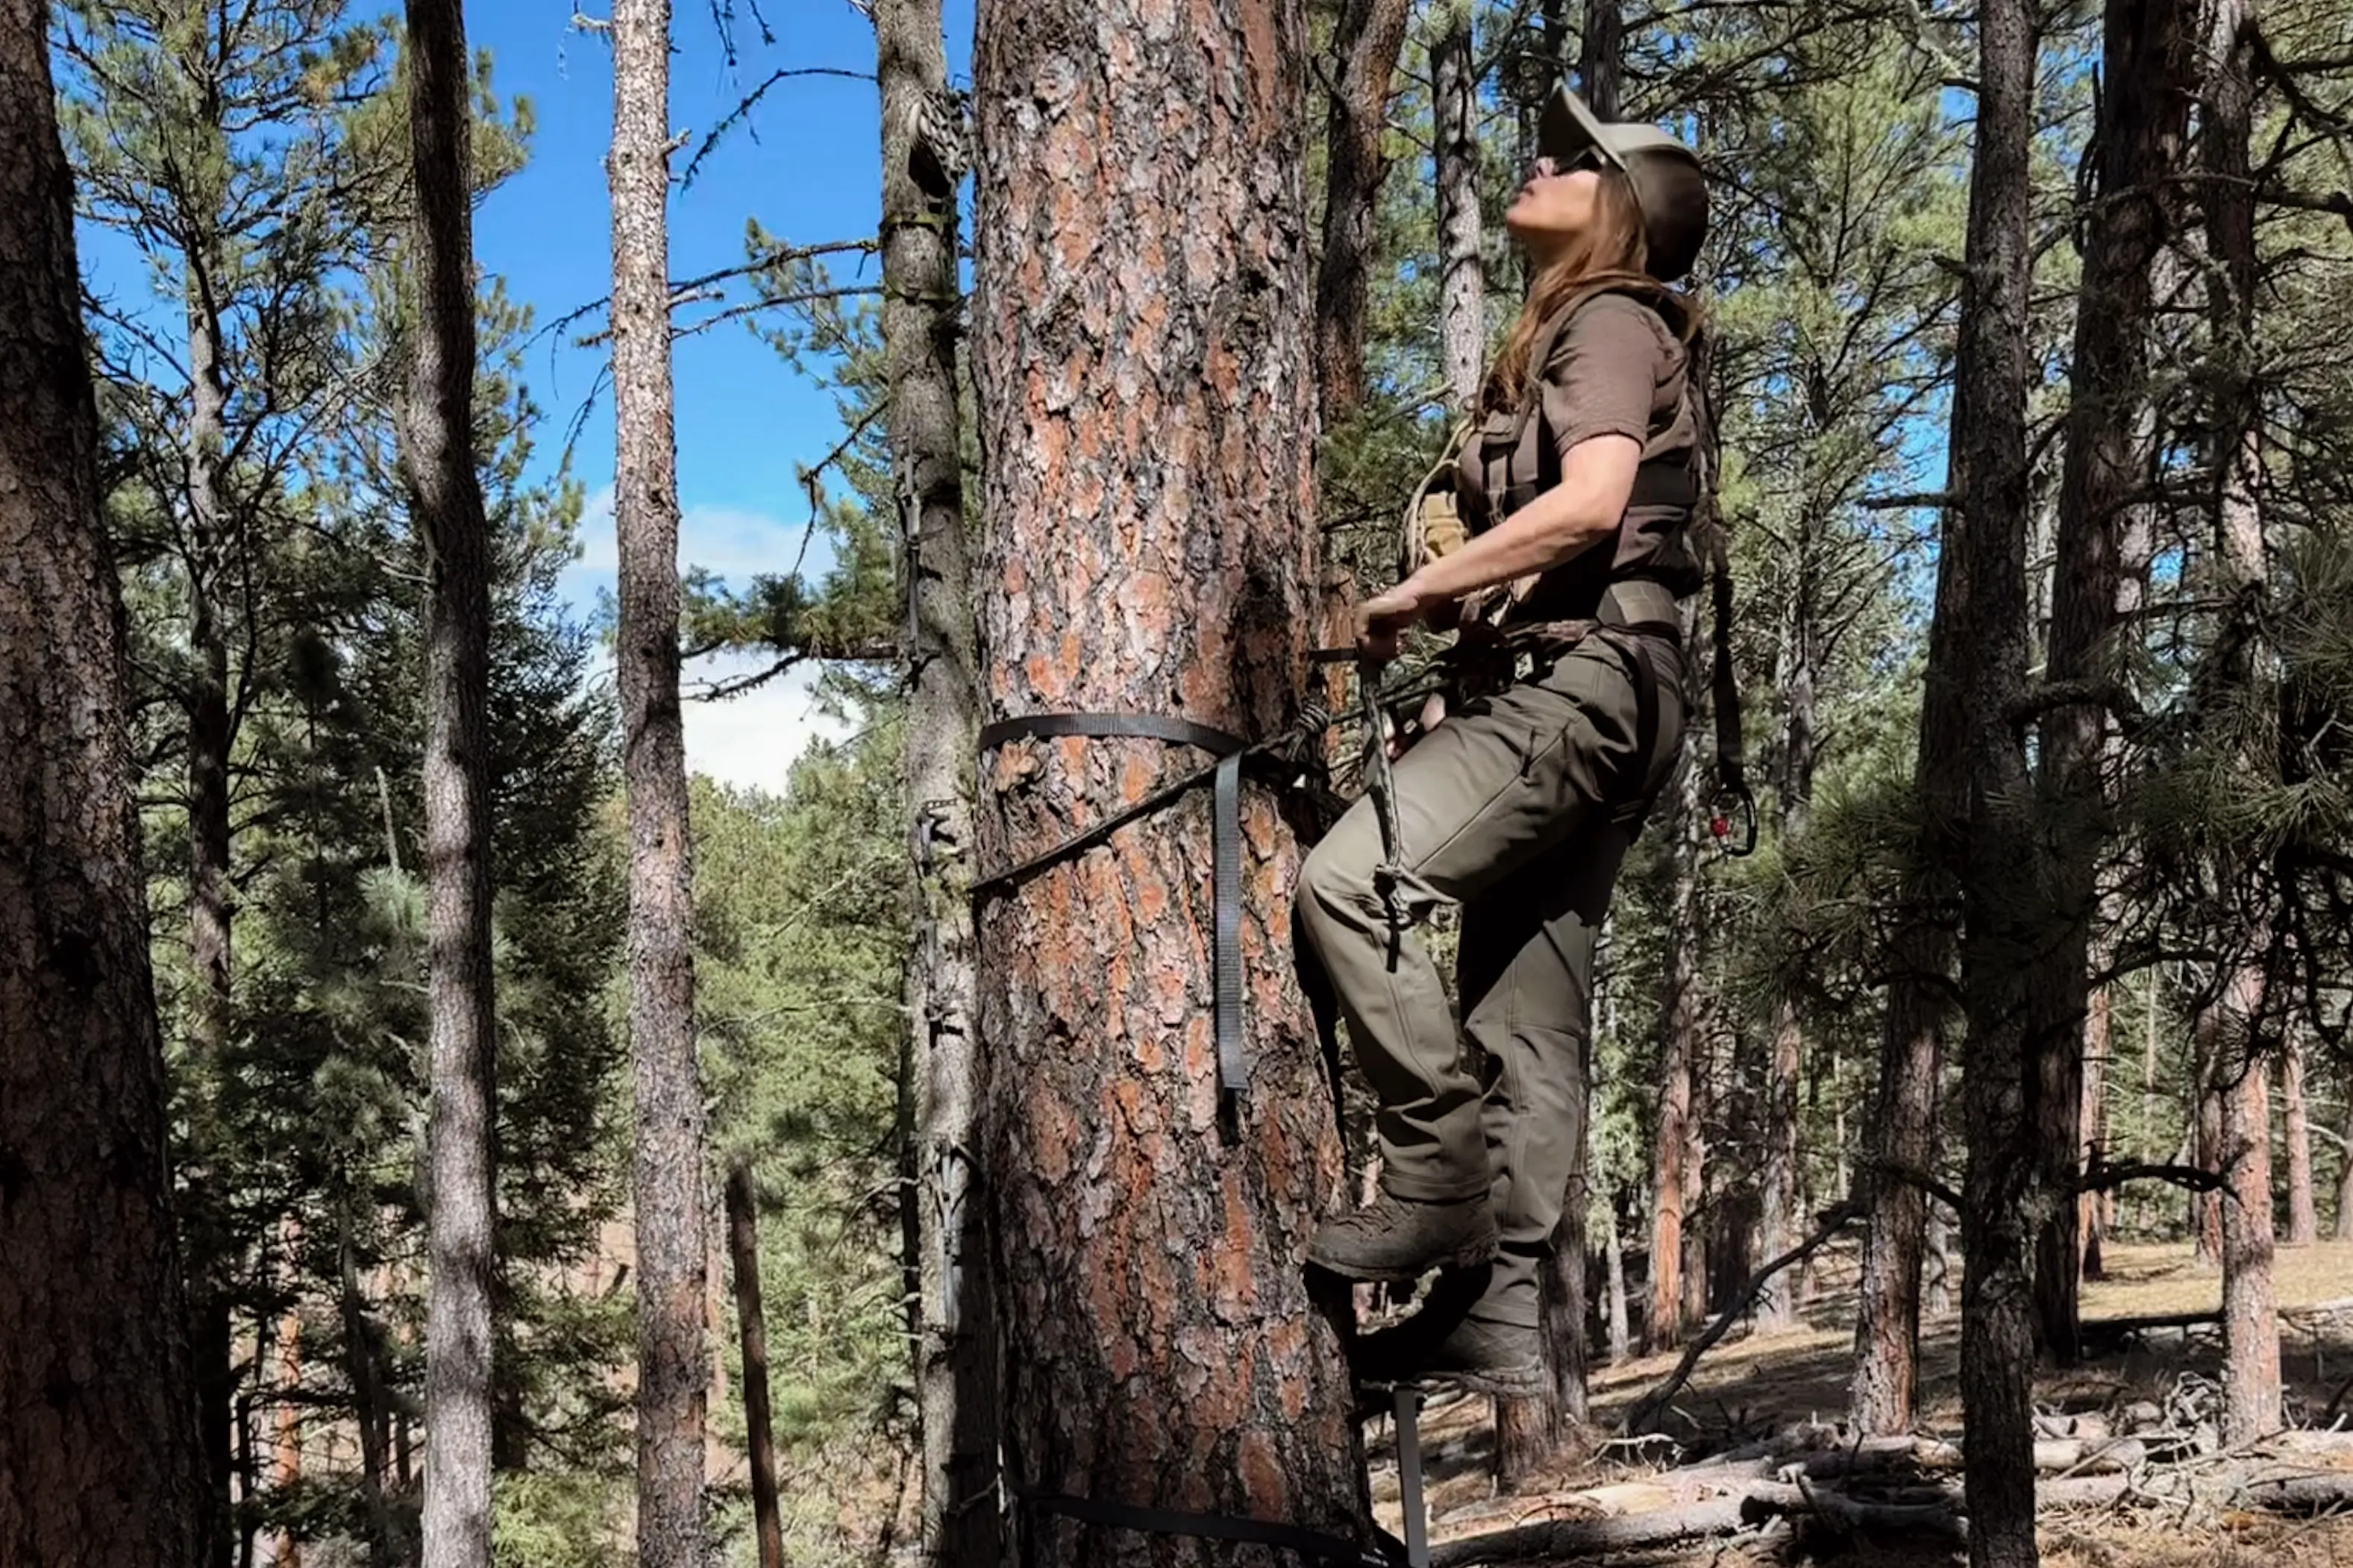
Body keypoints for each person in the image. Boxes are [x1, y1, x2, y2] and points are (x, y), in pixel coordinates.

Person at [1297, 83, 1712, 1393]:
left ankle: (1435, 1179)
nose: (1540, 159)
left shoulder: (1608, 318)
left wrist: (1413, 595)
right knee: (1523, 1015)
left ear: (1620, 211)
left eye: (1575, 159)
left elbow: (1590, 503)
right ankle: (1503, 1308)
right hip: (1606, 692)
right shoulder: (1586, 334)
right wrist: (1454, 670)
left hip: (1586, 687)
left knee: (1350, 878)